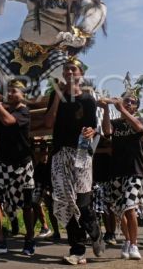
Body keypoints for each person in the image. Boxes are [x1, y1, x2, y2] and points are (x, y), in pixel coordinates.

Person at [45, 58, 104, 265]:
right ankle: (77, 250)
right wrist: (59, 96)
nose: (69, 72)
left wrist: (92, 130)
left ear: (80, 74)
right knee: (65, 201)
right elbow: (49, 122)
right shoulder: (56, 95)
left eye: (73, 69)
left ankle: (95, 232)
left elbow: (94, 127)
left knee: (82, 202)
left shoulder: (88, 99)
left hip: (81, 152)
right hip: (60, 153)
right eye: (66, 69)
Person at [0, 80, 36, 255]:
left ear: (23, 95)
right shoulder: (2, 109)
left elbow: (9, 121)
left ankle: (30, 240)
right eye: (8, 91)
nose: (10, 94)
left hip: (23, 165)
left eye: (14, 91)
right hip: (4, 164)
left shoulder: (23, 111)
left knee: (27, 205)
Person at [99, 88, 143, 260]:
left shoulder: (138, 119)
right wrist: (105, 108)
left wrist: (122, 109)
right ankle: (127, 240)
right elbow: (106, 133)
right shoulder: (116, 123)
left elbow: (140, 129)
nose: (128, 102)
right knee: (120, 211)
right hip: (117, 171)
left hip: (134, 171)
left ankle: (134, 245)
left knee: (129, 206)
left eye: (132, 102)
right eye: (126, 100)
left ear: (136, 107)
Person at [31, 137, 60, 240]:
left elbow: (44, 156)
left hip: (49, 176)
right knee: (34, 203)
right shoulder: (35, 145)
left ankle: (56, 232)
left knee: (50, 206)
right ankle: (34, 230)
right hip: (39, 176)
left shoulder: (51, 147)